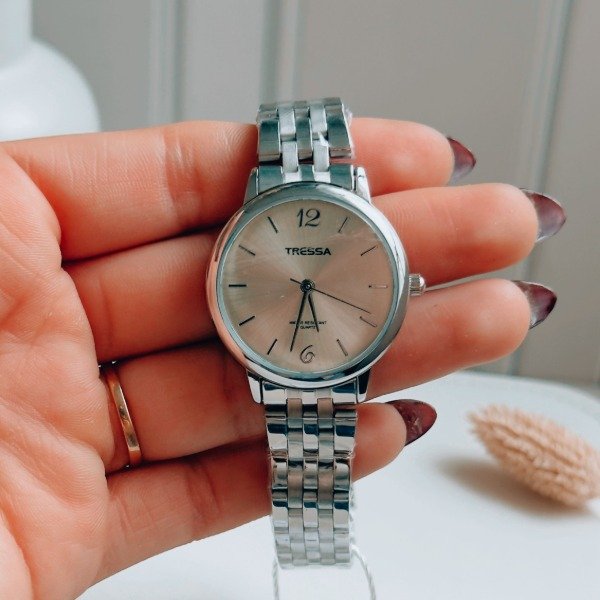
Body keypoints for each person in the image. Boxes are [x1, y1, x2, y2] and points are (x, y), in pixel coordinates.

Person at [0, 117, 563, 599]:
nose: (308, 283)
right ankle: (313, 551)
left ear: (403, 284)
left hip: (318, 361)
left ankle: (316, 550)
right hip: (276, 363)